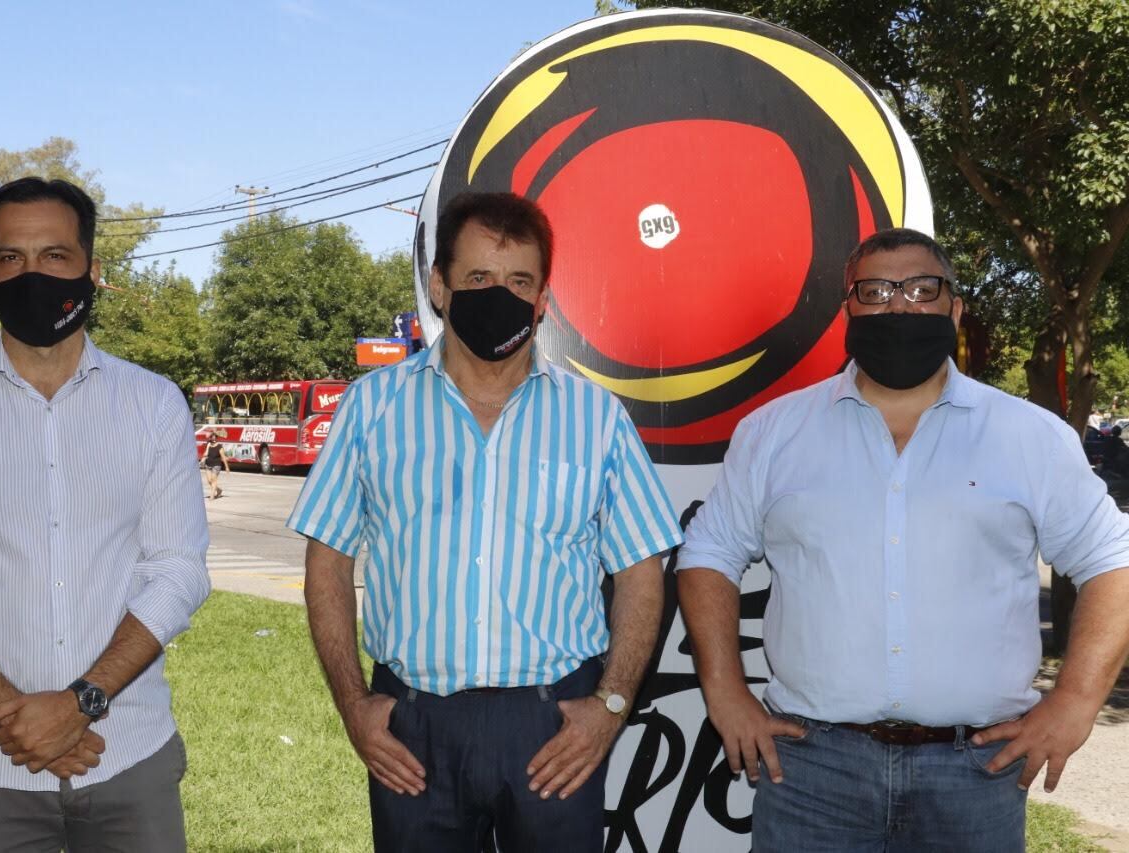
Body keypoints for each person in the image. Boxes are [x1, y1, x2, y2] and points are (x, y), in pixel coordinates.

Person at [676, 227, 1129, 852]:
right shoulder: (774, 432)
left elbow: (1113, 560)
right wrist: (724, 691)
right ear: (848, 310)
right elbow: (708, 554)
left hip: (977, 772)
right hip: (811, 771)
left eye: (922, 289)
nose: (899, 305)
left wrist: (1077, 701)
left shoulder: (1030, 436)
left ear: (955, 308)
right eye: (876, 290)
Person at [287, 191, 682, 852]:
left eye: (519, 281)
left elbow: (643, 572)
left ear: (542, 300)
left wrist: (608, 708)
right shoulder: (370, 408)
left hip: (554, 727)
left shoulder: (595, 417)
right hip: (414, 729)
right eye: (478, 278)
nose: (499, 294)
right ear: (439, 287)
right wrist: (354, 704)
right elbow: (327, 560)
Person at [0, 177, 210, 852]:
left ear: (91, 270)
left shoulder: (154, 405)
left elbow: (177, 572)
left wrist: (78, 701)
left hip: (128, 756)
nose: (31, 273)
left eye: (54, 255)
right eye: (9, 258)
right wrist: (20, 717)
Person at [202, 431, 229, 499]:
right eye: (211, 437)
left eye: (214, 436)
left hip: (216, 465)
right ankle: (219, 490)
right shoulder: (208, 444)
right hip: (208, 464)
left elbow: (223, 457)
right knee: (209, 481)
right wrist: (203, 457)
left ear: (216, 437)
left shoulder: (220, 446)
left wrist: (226, 467)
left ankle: (212, 495)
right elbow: (206, 453)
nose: (213, 438)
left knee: (213, 480)